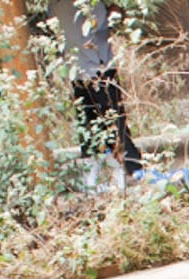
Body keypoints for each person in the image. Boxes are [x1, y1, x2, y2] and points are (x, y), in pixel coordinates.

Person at [49, 0, 142, 174]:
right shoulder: (89, 3)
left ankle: (92, 173)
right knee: (115, 118)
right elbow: (101, 23)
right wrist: (114, 12)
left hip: (75, 69)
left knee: (88, 123)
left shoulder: (54, 4)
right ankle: (133, 165)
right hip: (98, 67)